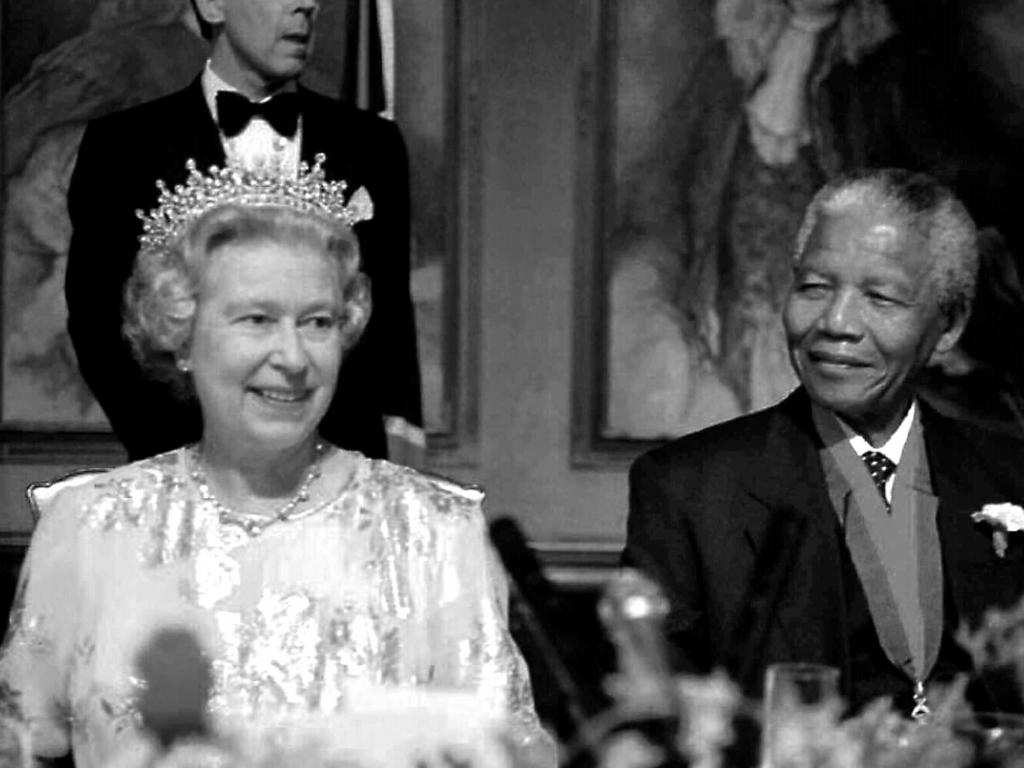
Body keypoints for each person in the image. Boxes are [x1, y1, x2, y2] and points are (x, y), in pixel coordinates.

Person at [2, 158, 550, 767]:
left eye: (317, 322)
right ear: (181, 334)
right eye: (257, 320)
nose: (292, 356)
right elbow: (24, 748)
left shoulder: (435, 533)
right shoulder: (89, 526)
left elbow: (506, 758)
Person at [623, 169, 1024, 716]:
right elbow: (657, 719)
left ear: (948, 328)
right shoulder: (687, 491)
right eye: (814, 288)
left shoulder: (1009, 474)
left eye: (880, 298)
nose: (835, 323)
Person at [65, 0, 423, 464]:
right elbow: (99, 328)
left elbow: (388, 325)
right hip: (184, 472)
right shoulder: (123, 148)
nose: (306, 5)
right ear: (214, 5)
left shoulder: (373, 146)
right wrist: (193, 463)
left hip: (338, 479)